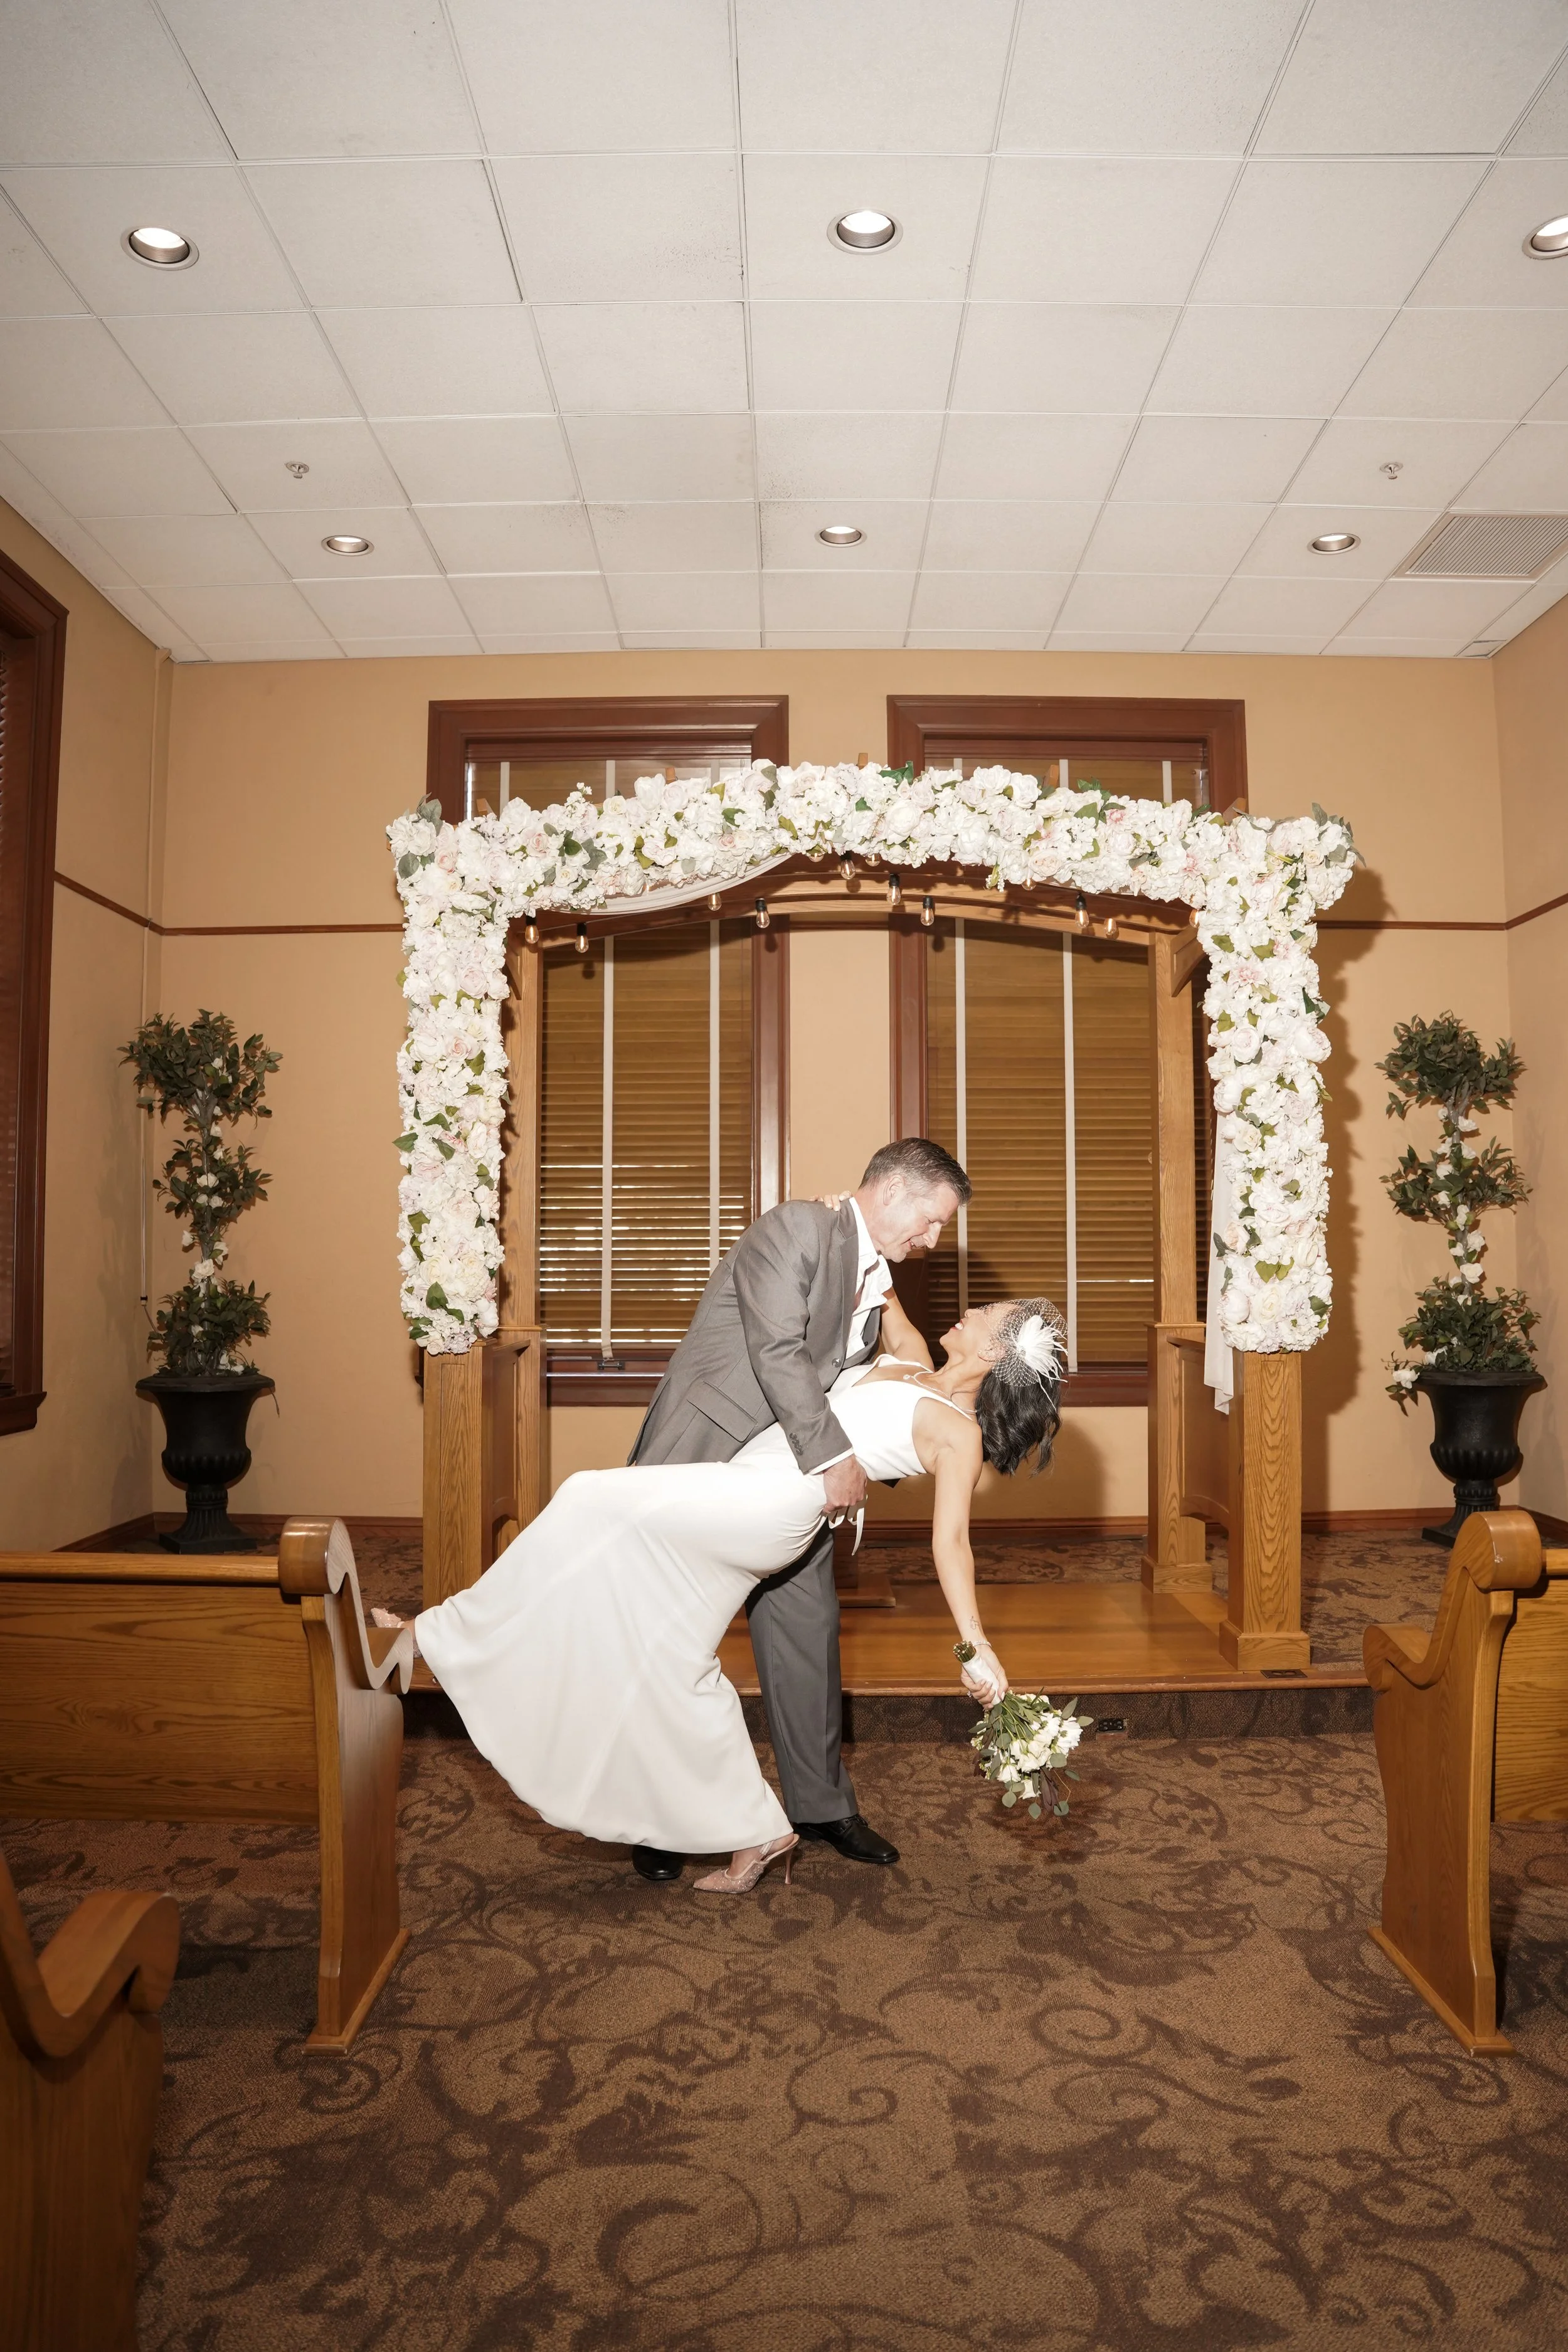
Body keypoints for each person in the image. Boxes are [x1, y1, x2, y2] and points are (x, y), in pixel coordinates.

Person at [379, 1224, 1064, 1897]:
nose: (970, 1310)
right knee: (679, 1661)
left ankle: (429, 1637)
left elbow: (951, 1542)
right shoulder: (911, 1361)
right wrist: (848, 1225)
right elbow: (882, 1288)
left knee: (586, 1496)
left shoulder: (960, 1435)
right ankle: (756, 1831)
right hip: (751, 1489)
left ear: (996, 1350)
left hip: (769, 1504)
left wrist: (975, 1645)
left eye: (986, 1313)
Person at [622, 1136, 970, 1881]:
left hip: (786, 1474)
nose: (933, 1239)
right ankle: (657, 1814)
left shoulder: (873, 1277)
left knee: (807, 1629)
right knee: (666, 1633)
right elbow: (777, 1350)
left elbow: (891, 1368)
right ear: (892, 1191)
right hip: (709, 1450)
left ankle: (819, 1805)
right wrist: (835, 1458)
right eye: (932, 1220)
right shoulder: (796, 1228)